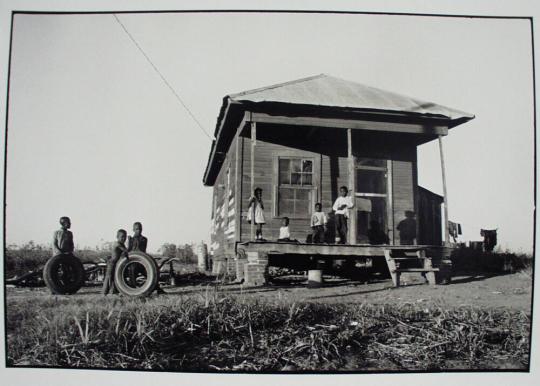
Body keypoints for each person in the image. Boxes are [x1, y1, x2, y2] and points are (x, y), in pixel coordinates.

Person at [127, 222, 165, 294]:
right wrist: (130, 241)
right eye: (137, 229)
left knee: (151, 274)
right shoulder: (130, 239)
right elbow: (129, 250)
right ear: (133, 229)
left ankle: (158, 288)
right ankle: (132, 291)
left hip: (141, 261)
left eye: (140, 229)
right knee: (131, 271)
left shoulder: (144, 239)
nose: (139, 231)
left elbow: (142, 250)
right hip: (133, 262)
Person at [102, 229, 128, 295]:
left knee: (114, 278)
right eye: (122, 237)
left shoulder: (122, 245)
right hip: (111, 263)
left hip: (116, 263)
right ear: (117, 237)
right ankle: (104, 293)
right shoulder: (117, 244)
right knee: (108, 278)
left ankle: (113, 292)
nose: (123, 238)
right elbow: (125, 251)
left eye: (125, 237)